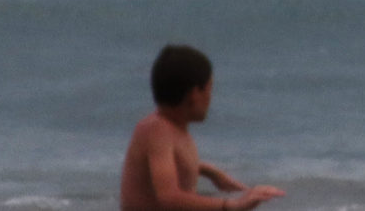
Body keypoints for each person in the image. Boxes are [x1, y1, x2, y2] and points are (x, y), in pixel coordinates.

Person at [121, 45, 285, 211]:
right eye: (209, 89)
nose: (210, 98)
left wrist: (208, 171)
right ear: (194, 94)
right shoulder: (156, 130)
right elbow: (168, 197)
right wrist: (230, 205)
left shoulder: (171, 129)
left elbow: (165, 165)